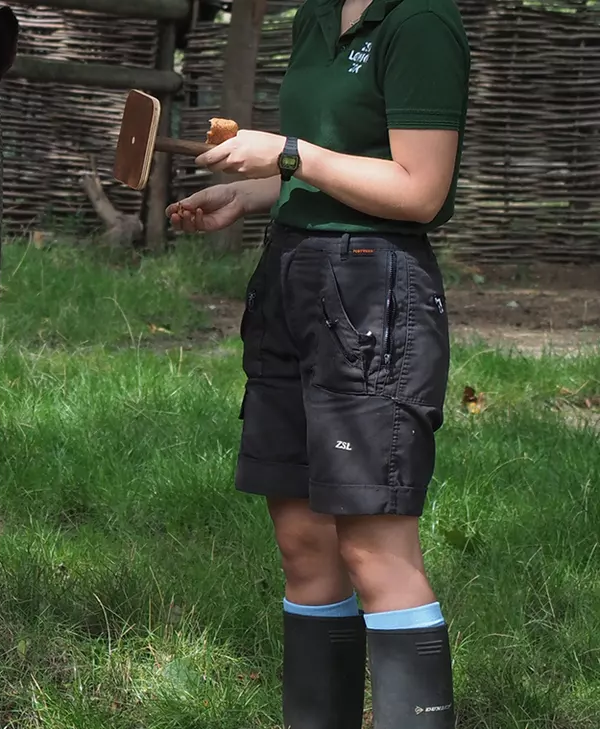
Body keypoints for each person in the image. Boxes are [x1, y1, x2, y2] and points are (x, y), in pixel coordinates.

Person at [168, 0, 469, 725]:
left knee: (373, 549)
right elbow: (334, 164)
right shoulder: (315, 18)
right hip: (290, 279)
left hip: (374, 293)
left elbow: (419, 189)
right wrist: (254, 189)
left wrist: (292, 154)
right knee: (304, 545)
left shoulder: (420, 21)